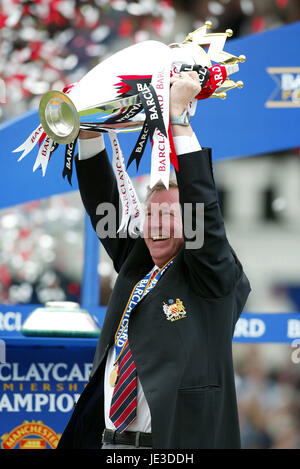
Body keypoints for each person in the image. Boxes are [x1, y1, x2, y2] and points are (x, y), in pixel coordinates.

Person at [57, 71, 251, 449]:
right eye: (150, 215)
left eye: (169, 217)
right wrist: (89, 128)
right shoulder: (138, 262)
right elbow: (103, 206)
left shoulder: (212, 277)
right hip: (109, 443)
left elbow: (205, 211)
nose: (156, 225)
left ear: (191, 224)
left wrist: (177, 119)